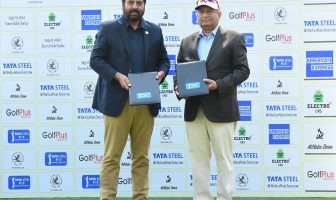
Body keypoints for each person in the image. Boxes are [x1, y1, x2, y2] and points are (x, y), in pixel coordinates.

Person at [89, 0, 170, 199]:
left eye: (139, 3)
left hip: (146, 102)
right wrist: (117, 76)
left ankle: (140, 197)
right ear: (123, 5)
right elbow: (96, 60)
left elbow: (164, 60)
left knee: (141, 157)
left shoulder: (155, 30)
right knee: (111, 157)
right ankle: (107, 197)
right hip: (118, 102)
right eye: (130, 3)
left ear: (144, 6)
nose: (134, 7)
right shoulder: (108, 28)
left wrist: (161, 73)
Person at [174, 0, 250, 199]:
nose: (205, 15)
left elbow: (243, 71)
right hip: (194, 110)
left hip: (222, 108)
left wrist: (219, 84)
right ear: (196, 15)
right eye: (201, 12)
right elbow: (179, 72)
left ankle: (225, 197)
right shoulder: (186, 41)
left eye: (209, 11)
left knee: (224, 160)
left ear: (219, 14)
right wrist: (177, 87)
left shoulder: (234, 38)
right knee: (198, 160)